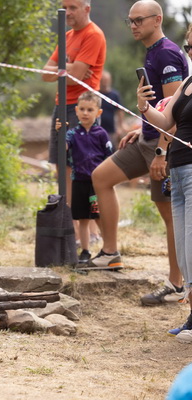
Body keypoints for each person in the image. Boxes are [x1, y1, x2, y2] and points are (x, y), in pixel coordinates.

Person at [89, 1, 188, 303]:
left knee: (171, 216)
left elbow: (174, 113)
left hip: (163, 146)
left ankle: (176, 285)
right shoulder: (151, 51)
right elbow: (156, 107)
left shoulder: (168, 53)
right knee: (101, 177)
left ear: (157, 20)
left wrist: (161, 152)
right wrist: (140, 127)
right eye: (130, 21)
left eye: (139, 20)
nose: (133, 26)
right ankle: (110, 252)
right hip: (145, 138)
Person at [134, 23, 192, 339]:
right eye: (189, 47)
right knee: (184, 249)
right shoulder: (187, 84)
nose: (190, 52)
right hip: (178, 171)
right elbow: (166, 121)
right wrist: (144, 106)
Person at [42, 0, 106, 205]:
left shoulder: (93, 34)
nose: (67, 12)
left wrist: (67, 70)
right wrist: (69, 67)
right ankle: (67, 214)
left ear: (87, 9)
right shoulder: (67, 36)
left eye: (72, 8)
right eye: (64, 8)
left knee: (82, 166)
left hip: (83, 107)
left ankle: (86, 219)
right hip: (61, 105)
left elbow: (73, 78)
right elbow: (44, 73)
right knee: (61, 164)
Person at [56, 91, 113, 265]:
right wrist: (60, 132)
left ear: (98, 112)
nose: (85, 113)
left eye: (90, 110)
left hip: (97, 183)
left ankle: (109, 248)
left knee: (99, 216)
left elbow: (109, 157)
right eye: (82, 109)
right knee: (83, 218)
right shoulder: (72, 134)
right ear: (76, 111)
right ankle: (85, 250)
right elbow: (64, 148)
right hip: (79, 181)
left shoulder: (101, 134)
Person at [99, 70, 127, 149]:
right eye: (103, 80)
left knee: (111, 149)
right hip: (98, 128)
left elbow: (120, 111)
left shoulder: (114, 95)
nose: (104, 82)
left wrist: (120, 126)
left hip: (111, 130)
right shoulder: (96, 94)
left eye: (106, 80)